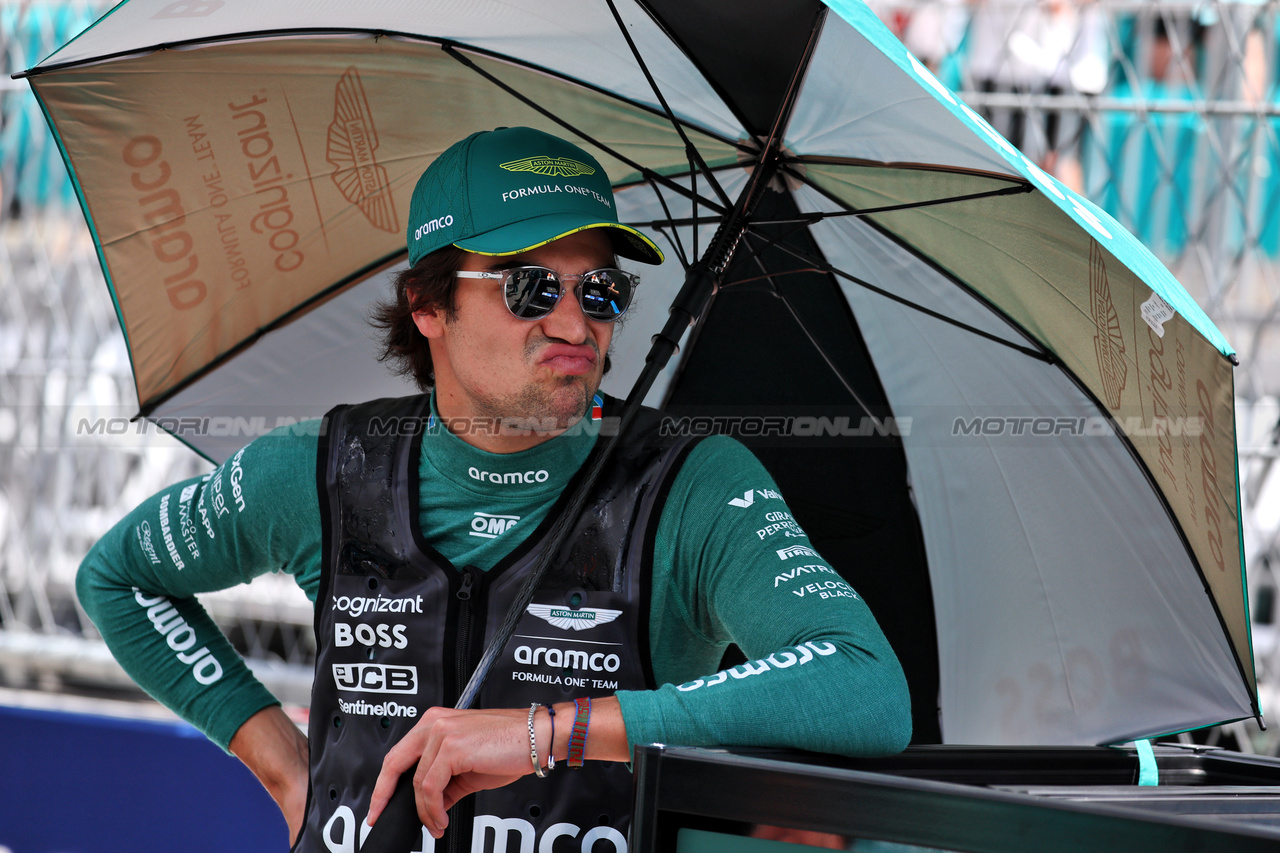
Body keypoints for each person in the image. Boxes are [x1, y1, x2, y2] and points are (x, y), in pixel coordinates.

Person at [77, 126, 911, 852]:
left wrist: (551, 733)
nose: (576, 323)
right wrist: (284, 765)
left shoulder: (693, 482)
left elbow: (863, 684)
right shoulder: (320, 467)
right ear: (427, 306)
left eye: (601, 290)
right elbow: (117, 577)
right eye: (531, 286)